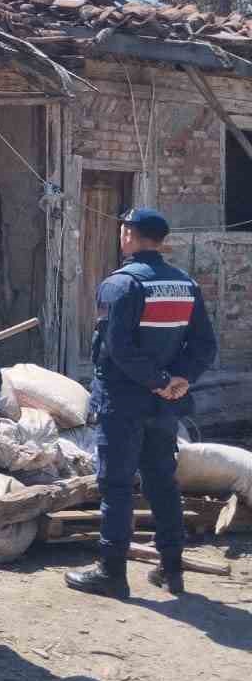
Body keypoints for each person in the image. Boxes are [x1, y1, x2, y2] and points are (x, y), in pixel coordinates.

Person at [66, 207, 216, 600]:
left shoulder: (122, 284)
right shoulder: (185, 284)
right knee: (162, 483)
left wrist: (161, 381)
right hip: (165, 405)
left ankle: (111, 573)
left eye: (123, 230)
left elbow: (117, 349)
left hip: (124, 401)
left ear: (129, 235)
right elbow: (203, 346)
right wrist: (177, 381)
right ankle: (171, 569)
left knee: (115, 485)